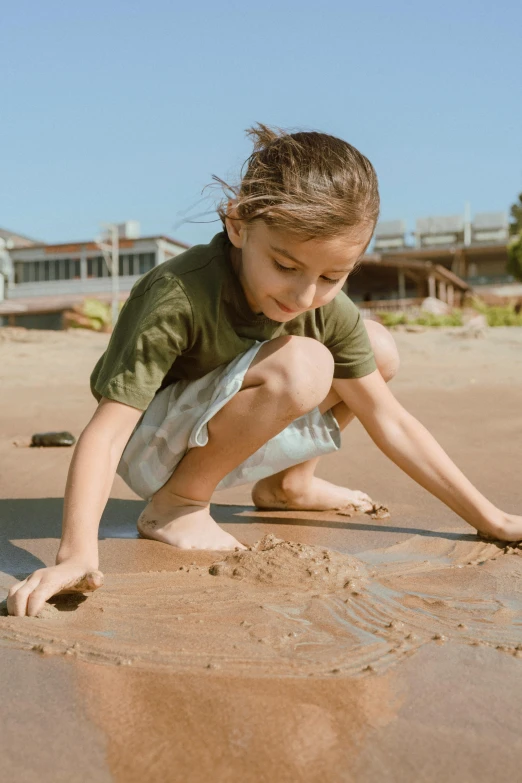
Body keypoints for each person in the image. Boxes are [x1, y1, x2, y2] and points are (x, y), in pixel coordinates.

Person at [7, 124, 522, 617]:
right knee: (307, 364)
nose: (304, 296)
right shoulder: (178, 294)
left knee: (378, 347)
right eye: (285, 266)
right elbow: (108, 430)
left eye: (332, 276)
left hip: (225, 425)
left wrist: (490, 519)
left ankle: (288, 487)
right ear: (237, 224)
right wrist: (76, 555)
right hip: (151, 446)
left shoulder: (322, 303)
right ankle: (178, 504)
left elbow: (391, 420)